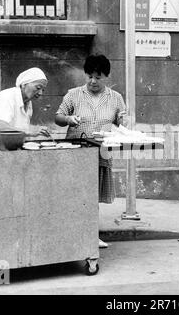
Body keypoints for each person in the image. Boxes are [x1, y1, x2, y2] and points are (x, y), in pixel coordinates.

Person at [55, 54, 127, 248]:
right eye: (90, 77)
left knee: (91, 196)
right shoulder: (73, 94)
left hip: (100, 154)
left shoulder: (116, 98)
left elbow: (121, 123)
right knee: (73, 195)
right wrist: (69, 120)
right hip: (75, 154)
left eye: (98, 77)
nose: (93, 81)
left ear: (106, 77)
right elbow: (58, 117)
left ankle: (89, 236)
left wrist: (122, 121)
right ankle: (68, 236)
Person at [0, 67, 50, 137]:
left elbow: (21, 129)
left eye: (43, 90)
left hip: (11, 144)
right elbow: (2, 127)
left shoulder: (28, 103)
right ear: (24, 84)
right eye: (38, 88)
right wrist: (30, 131)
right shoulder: (7, 96)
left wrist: (37, 129)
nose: (40, 93)